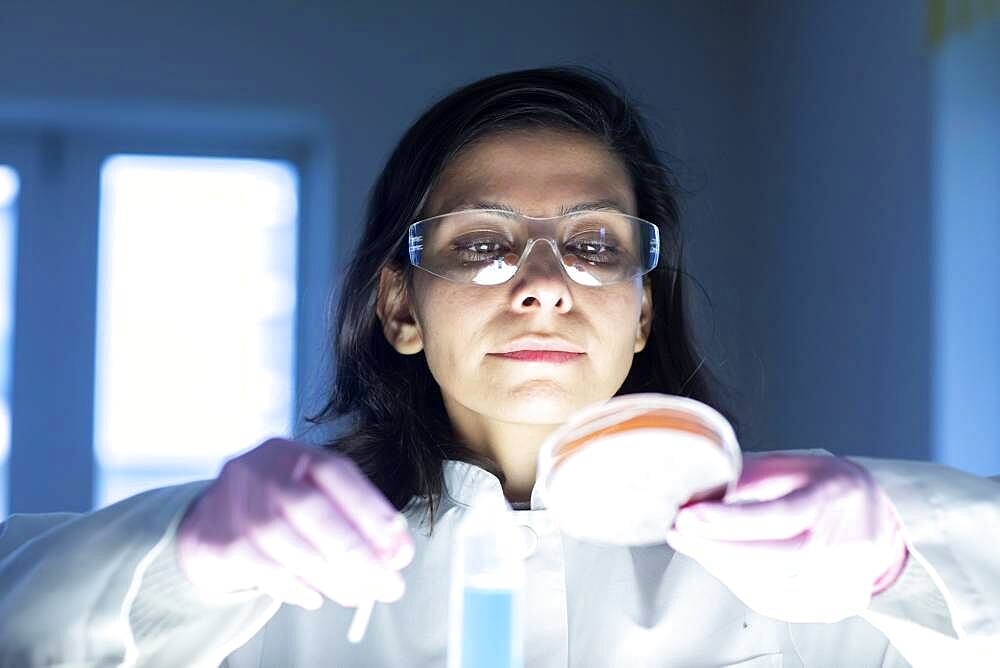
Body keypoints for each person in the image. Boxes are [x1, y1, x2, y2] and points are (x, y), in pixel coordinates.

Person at [1, 66, 998, 668]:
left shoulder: (814, 568)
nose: (544, 284)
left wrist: (909, 553)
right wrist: (180, 558)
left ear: (641, 307)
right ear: (399, 305)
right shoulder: (261, 570)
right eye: (482, 242)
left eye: (596, 245)